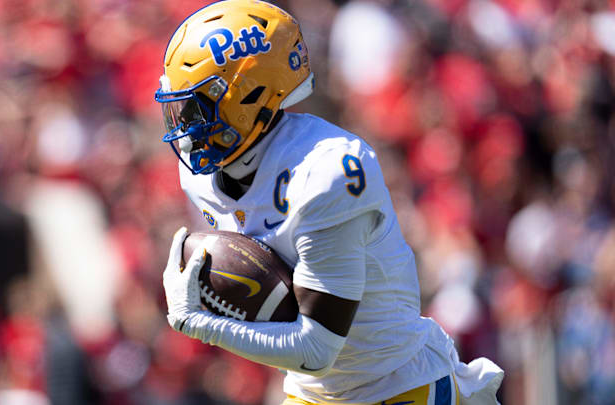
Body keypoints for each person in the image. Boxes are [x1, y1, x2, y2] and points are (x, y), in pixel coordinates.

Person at [156, 1, 503, 404]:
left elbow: (317, 348)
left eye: (197, 106)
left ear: (248, 96)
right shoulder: (200, 175)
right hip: (311, 392)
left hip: (396, 386)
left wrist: (201, 324)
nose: (185, 126)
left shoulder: (327, 172)